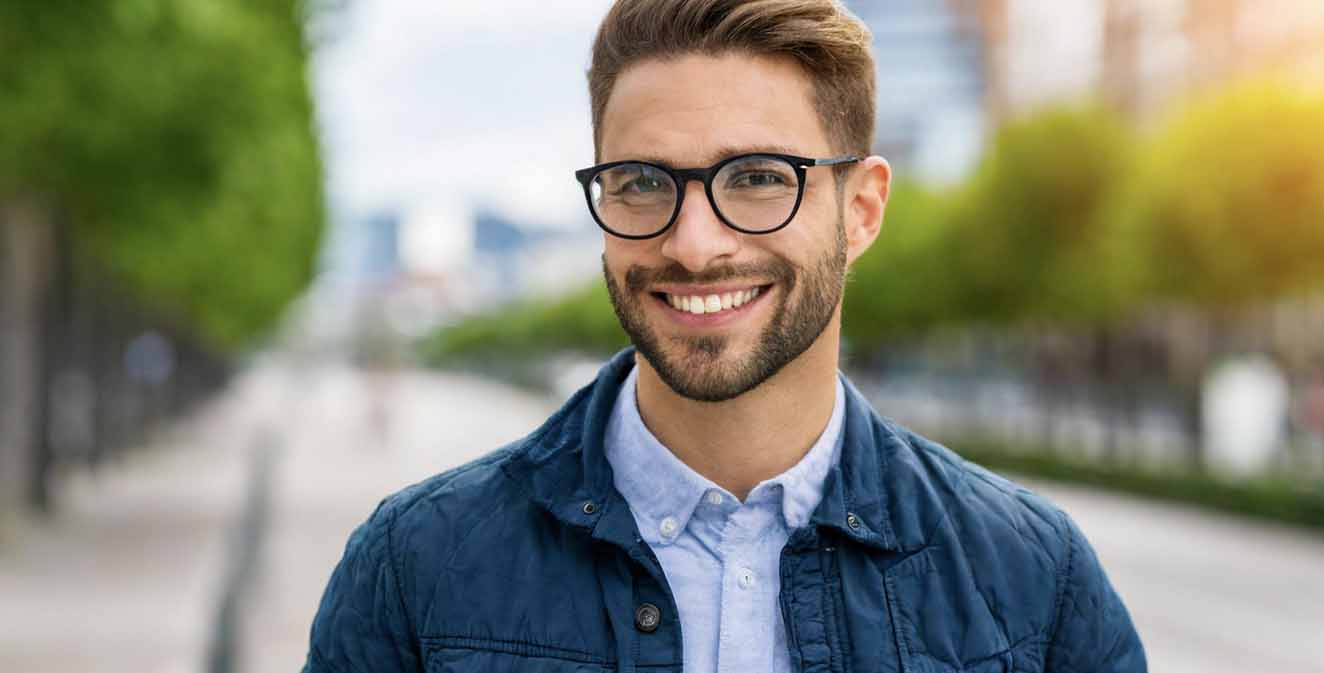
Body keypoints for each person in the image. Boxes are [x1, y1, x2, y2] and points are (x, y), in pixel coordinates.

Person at [303, 1, 1147, 672]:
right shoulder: (415, 568)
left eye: (757, 179)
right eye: (641, 182)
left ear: (862, 210)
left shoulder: (1036, 583)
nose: (695, 245)